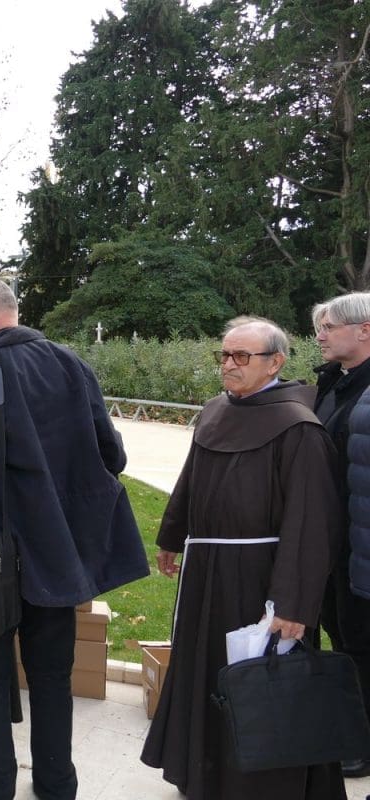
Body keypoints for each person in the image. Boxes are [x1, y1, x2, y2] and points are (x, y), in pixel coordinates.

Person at [0, 278, 147, 800]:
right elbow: (113, 456)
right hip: (57, 551)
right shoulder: (71, 364)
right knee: (52, 677)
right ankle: (57, 784)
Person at [141, 316, 345, 799]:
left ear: (275, 362)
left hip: (261, 579)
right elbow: (191, 480)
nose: (228, 365)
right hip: (206, 572)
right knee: (205, 670)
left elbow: (311, 524)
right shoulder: (216, 411)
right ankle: (205, 774)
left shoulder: (298, 427)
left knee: (259, 679)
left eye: (241, 356)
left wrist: (293, 604)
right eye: (225, 355)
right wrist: (172, 537)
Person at [311, 294, 370, 777]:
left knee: (362, 643)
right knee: (342, 636)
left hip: (362, 544)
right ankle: (349, 731)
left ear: (365, 330)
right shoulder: (334, 382)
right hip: (335, 541)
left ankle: (363, 745)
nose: (320, 335)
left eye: (329, 327)